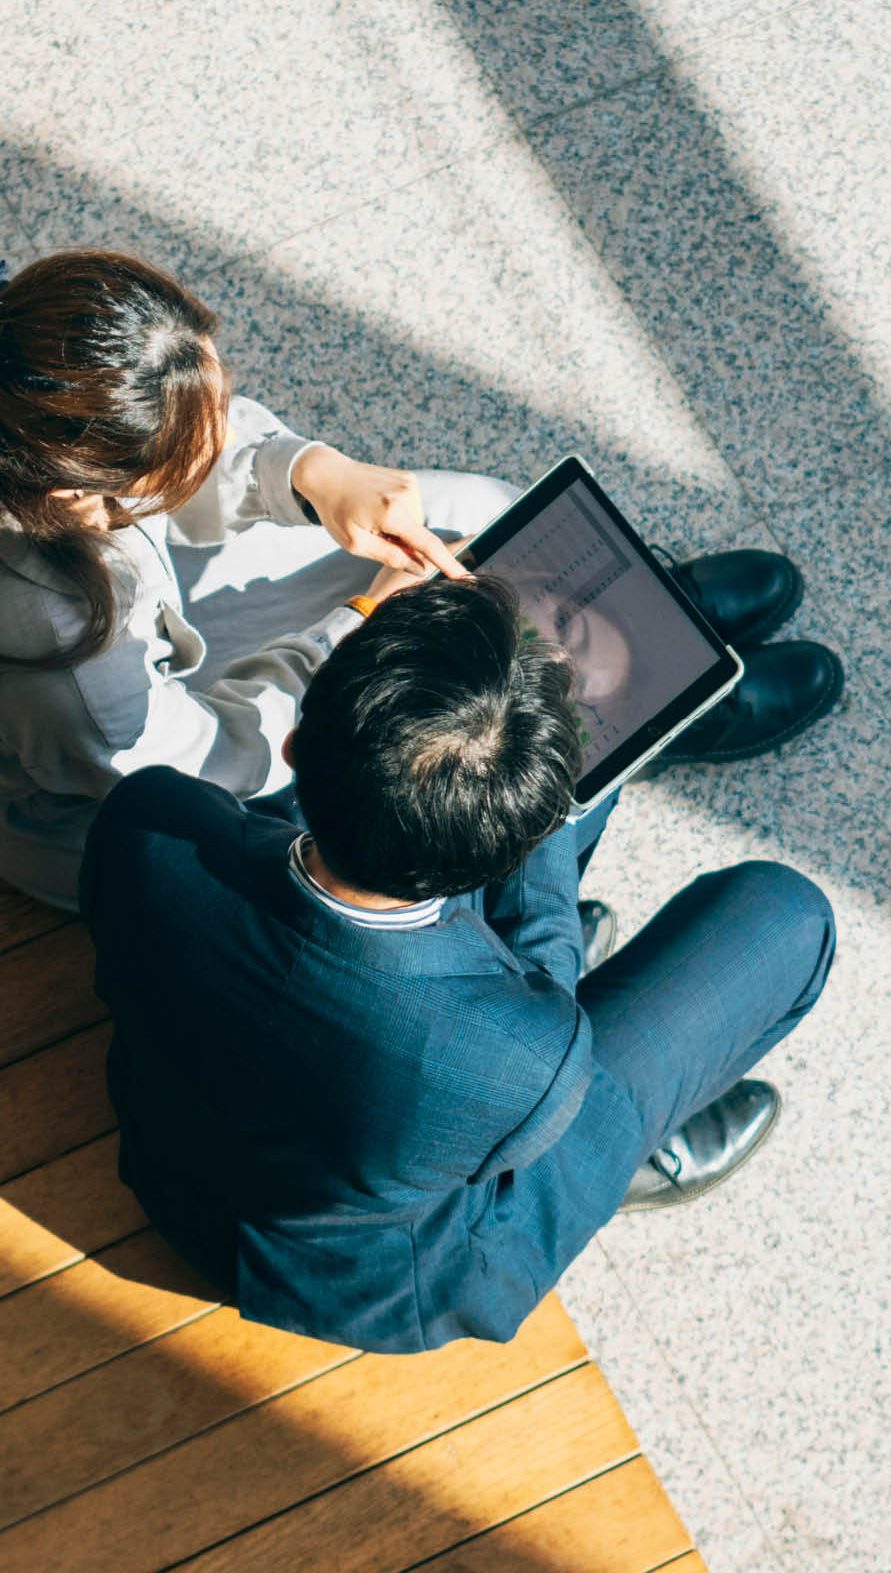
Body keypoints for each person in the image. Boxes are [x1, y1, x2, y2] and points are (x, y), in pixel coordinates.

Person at [0, 252, 843, 910]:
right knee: (432, 732)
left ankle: (643, 620)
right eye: (196, 437)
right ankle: (661, 704)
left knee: (473, 517)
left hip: (137, 654)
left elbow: (180, 436)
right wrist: (360, 636)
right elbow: (211, 770)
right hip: (136, 813)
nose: (226, 422)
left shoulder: (0, 412)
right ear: (93, 492)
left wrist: (315, 476)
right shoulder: (64, 657)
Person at [80, 575, 834, 1351]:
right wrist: (549, 820)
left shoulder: (151, 827)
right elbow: (547, 1011)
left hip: (177, 1167)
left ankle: (630, 716)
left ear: (296, 744)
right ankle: (615, 1168)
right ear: (483, 867)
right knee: (788, 916)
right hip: (379, 1274)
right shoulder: (526, 1063)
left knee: (552, 806)